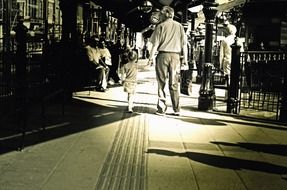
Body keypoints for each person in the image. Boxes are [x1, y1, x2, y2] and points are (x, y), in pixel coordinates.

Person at [148, 6, 188, 116]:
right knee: (174, 83)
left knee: (161, 82)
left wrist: (151, 58)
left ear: (166, 14)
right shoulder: (179, 26)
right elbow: (185, 45)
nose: (159, 15)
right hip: (175, 57)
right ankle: (177, 109)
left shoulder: (160, 26)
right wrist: (185, 59)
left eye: (161, 13)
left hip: (163, 56)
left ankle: (161, 108)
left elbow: (155, 44)